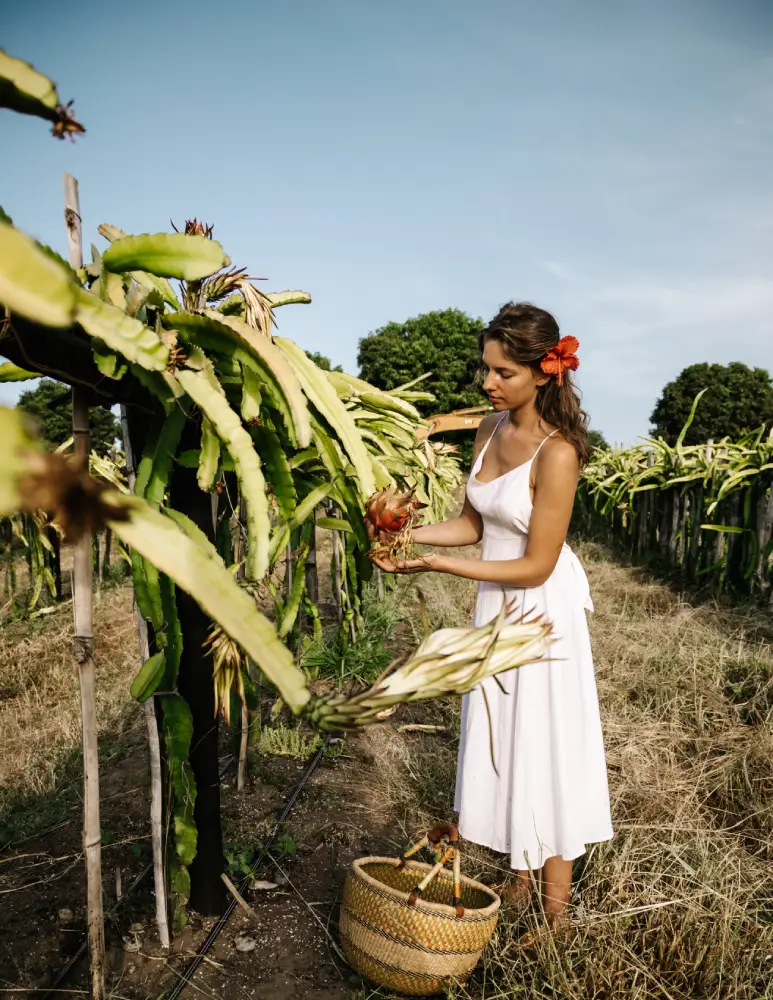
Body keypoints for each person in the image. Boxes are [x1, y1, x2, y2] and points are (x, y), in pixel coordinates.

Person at [370, 302, 613, 937]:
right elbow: (475, 525)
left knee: (545, 745)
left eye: (502, 371)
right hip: (493, 599)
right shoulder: (488, 428)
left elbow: (535, 564)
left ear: (543, 372)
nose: (488, 382)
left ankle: (554, 916)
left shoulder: (559, 454)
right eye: (486, 369)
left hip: (539, 610)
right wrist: (404, 536)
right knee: (504, 736)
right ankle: (520, 877)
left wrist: (438, 568)